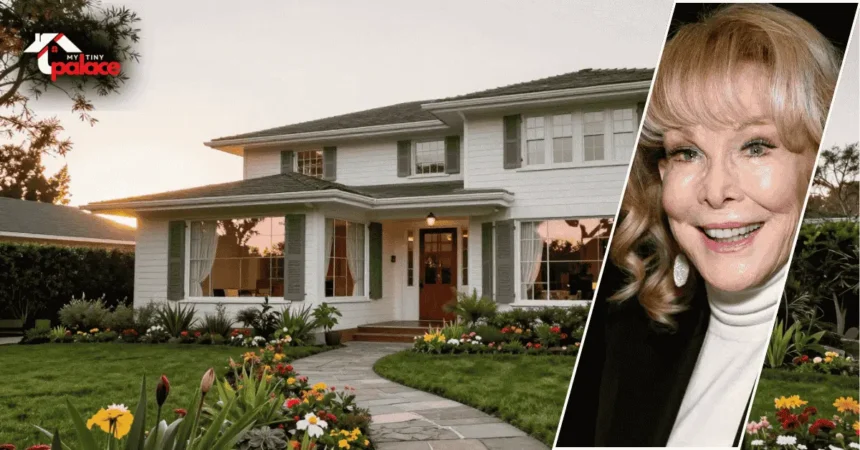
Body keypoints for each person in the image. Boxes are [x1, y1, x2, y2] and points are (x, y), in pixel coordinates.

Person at [556, 4, 841, 447]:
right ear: (662, 170)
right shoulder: (629, 337)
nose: (715, 189)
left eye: (756, 146)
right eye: (688, 152)